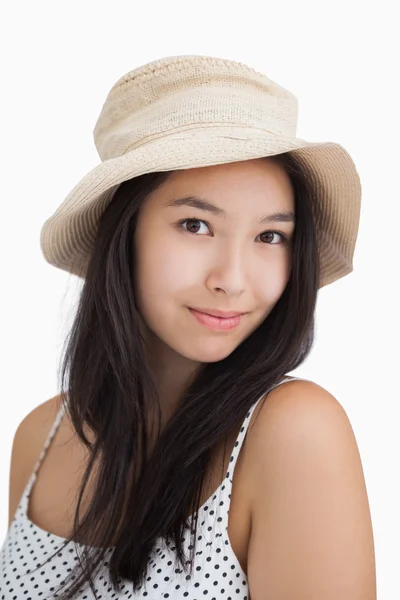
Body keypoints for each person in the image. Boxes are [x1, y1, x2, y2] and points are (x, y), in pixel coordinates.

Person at [1, 55, 376, 599]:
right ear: (123, 235)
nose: (233, 280)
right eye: (196, 225)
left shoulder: (292, 433)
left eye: (271, 236)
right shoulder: (42, 434)